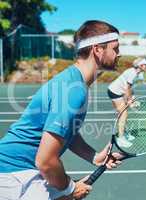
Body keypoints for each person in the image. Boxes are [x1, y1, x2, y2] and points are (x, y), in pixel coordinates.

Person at [0, 20, 123, 200]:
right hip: (15, 175)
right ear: (98, 50)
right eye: (116, 48)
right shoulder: (74, 91)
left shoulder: (74, 82)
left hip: (20, 171)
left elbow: (66, 133)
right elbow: (46, 161)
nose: (119, 54)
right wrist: (70, 189)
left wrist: (94, 157)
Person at [107, 57, 146, 147]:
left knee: (123, 114)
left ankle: (124, 134)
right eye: (145, 65)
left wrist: (132, 98)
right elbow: (127, 88)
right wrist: (130, 101)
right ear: (140, 66)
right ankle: (120, 138)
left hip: (117, 91)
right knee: (124, 114)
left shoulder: (135, 72)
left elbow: (130, 89)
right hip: (115, 92)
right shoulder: (132, 73)